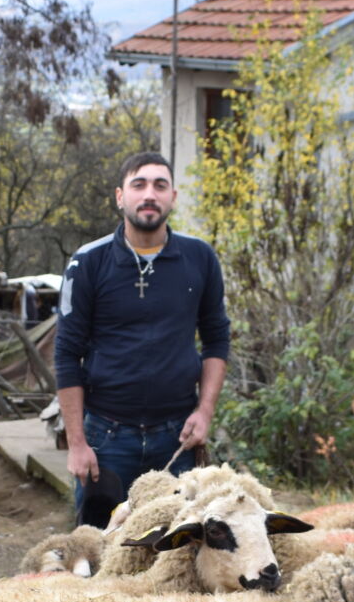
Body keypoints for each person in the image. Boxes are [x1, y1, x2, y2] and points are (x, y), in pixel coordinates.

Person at [54, 150, 230, 527]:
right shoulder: (87, 263)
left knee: (177, 554)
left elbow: (217, 339)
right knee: (99, 552)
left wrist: (205, 412)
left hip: (178, 439)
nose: (149, 194)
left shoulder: (199, 258)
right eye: (139, 185)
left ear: (173, 197)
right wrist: (77, 443)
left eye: (159, 185)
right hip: (106, 439)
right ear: (121, 196)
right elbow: (67, 355)